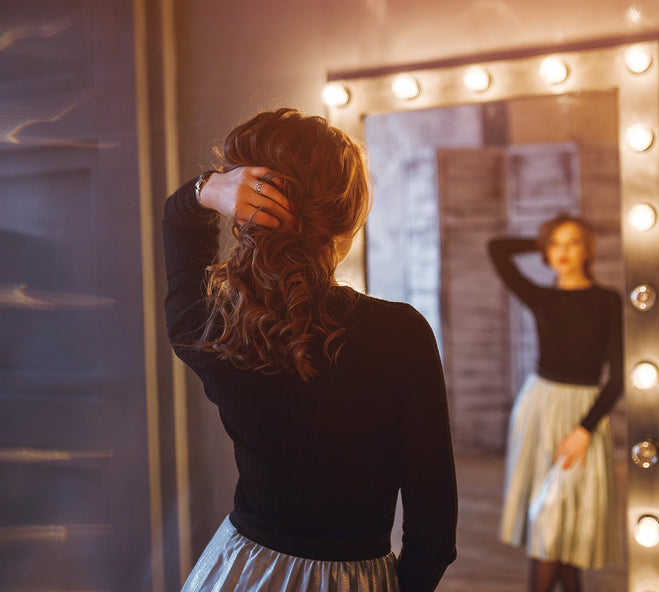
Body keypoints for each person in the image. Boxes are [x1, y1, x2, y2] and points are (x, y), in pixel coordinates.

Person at [163, 108, 457, 592]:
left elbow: (179, 223)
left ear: (244, 212)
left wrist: (207, 188)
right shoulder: (401, 334)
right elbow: (434, 534)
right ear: (348, 216)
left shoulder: (215, 328)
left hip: (237, 574)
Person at [488, 216, 624, 592]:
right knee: (548, 524)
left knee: (566, 527)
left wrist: (585, 428)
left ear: (588, 249)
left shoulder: (606, 300)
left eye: (573, 243)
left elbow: (619, 375)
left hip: (585, 413)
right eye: (556, 245)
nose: (563, 252)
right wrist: (543, 241)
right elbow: (496, 249)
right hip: (539, 407)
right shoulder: (542, 296)